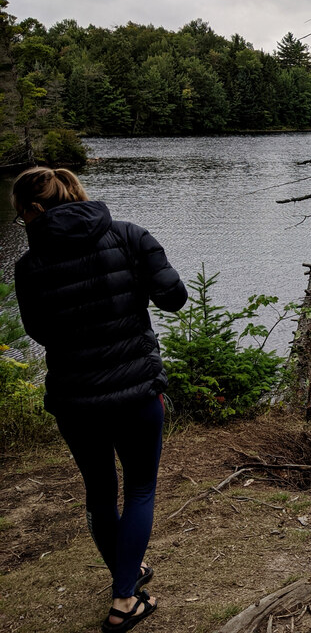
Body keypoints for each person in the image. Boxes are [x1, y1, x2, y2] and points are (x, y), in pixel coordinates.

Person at [12, 166, 187, 632]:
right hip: (137, 394)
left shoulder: (29, 265)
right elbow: (174, 298)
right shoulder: (130, 236)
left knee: (100, 494)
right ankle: (124, 600)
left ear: (33, 210)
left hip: (75, 400)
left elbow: (38, 331)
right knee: (141, 490)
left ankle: (125, 578)